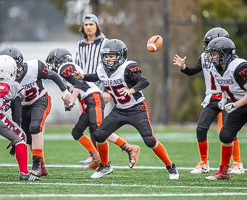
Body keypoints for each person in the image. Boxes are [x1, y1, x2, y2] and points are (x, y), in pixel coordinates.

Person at [73, 39, 179, 179]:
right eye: (106, 57)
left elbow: (144, 81)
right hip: (120, 109)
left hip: (137, 109)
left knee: (150, 140)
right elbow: (96, 76)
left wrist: (131, 90)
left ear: (121, 56)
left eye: (112, 56)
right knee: (99, 135)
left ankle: (171, 167)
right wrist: (83, 76)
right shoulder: (101, 69)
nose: (109, 60)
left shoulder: (128, 67)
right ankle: (105, 166)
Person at [46, 48, 140, 169]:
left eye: (53, 61)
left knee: (99, 129)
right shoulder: (63, 71)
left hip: (93, 98)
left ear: (60, 59)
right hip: (88, 101)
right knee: (77, 132)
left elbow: (78, 83)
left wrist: (72, 100)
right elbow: (78, 89)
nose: (52, 65)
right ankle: (96, 157)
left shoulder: (64, 67)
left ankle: (128, 147)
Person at [173, 27, 244, 174]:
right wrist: (184, 67)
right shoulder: (206, 57)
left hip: (229, 97)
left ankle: (237, 162)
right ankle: (204, 162)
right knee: (201, 128)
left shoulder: (233, 63)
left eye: (213, 47)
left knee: (229, 130)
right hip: (212, 97)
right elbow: (194, 70)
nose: (209, 52)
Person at [75, 13, 140, 166]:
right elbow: (78, 66)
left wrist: (106, 89)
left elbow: (109, 67)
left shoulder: (105, 42)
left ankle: (126, 148)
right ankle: (96, 155)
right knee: (92, 125)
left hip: (99, 89)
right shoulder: (80, 44)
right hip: (85, 89)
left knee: (98, 125)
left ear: (97, 26)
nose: (89, 27)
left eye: (91, 24)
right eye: (86, 25)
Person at [0, 46, 71, 177]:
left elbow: (52, 75)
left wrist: (65, 91)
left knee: (35, 127)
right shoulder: (5, 77)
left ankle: (36, 166)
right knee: (28, 138)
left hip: (39, 100)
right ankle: (41, 165)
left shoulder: (34, 67)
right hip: (22, 107)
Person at [203, 37, 247, 180]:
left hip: (241, 102)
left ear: (226, 54)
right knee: (226, 135)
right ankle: (224, 172)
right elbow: (225, 86)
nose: (212, 57)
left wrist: (235, 104)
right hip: (239, 103)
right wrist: (224, 99)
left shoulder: (239, 66)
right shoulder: (217, 68)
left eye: (215, 54)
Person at [0, 55, 40, 181]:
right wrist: (15, 139)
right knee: (21, 137)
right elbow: (16, 114)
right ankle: (24, 173)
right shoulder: (15, 85)